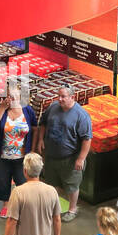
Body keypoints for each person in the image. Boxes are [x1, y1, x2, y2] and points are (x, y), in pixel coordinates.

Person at [33, 86, 93, 222]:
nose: (59, 99)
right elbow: (43, 124)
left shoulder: (81, 115)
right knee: (51, 183)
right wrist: (40, 140)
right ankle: (52, 207)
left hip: (70, 158)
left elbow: (87, 139)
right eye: (58, 96)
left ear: (72, 97)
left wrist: (81, 159)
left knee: (72, 186)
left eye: (63, 97)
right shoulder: (53, 107)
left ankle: (72, 209)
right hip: (51, 155)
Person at [0, 84, 37, 219]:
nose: (11, 100)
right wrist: (2, 107)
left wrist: (33, 149)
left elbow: (34, 128)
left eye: (14, 97)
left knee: (22, 181)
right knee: (3, 180)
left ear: (21, 97)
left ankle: (22, 205)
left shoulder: (28, 111)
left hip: (21, 156)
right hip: (1, 154)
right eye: (9, 96)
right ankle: (6, 205)